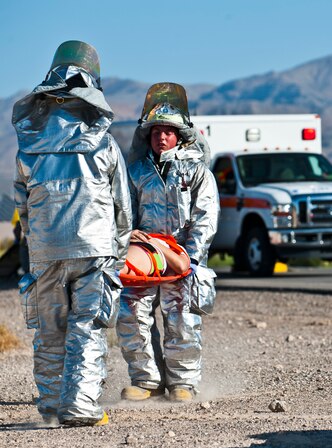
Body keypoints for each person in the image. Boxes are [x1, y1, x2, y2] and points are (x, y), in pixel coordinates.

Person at [12, 40, 132, 426]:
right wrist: (119, 249)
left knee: (50, 328)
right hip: (94, 249)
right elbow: (122, 207)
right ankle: (79, 407)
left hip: (45, 249)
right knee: (87, 326)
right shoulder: (105, 144)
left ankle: (50, 405)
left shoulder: (27, 148)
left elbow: (23, 207)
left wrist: (37, 245)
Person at [116, 82, 220, 402]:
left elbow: (206, 216)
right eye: (156, 131)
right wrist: (128, 237)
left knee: (181, 316)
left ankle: (182, 383)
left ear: (181, 135)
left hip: (181, 256)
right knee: (132, 313)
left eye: (169, 131)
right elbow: (122, 212)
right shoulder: (134, 172)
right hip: (145, 257)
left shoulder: (197, 172)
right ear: (148, 136)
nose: (162, 137)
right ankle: (146, 380)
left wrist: (189, 257)